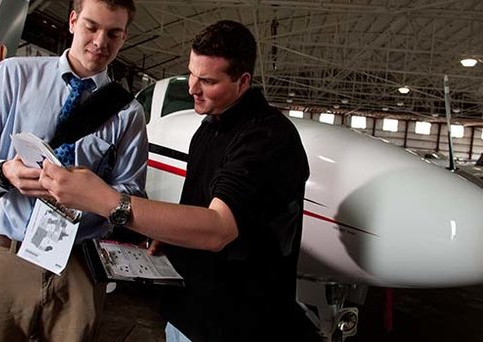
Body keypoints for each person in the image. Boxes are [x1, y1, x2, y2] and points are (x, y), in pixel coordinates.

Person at [40, 20, 310, 341]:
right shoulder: (209, 126)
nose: (193, 88)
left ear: (243, 82)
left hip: (237, 324)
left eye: (207, 81)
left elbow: (218, 229)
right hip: (190, 314)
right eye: (192, 74)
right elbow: (198, 207)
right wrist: (167, 234)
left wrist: (105, 200)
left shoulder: (266, 137)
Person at [0, 0, 147, 340]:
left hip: (77, 267)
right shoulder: (13, 76)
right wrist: (2, 171)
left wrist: (95, 198)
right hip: (3, 256)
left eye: (113, 33)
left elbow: (132, 192)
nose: (100, 42)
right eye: (91, 27)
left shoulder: (128, 113)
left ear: (124, 37)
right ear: (72, 21)